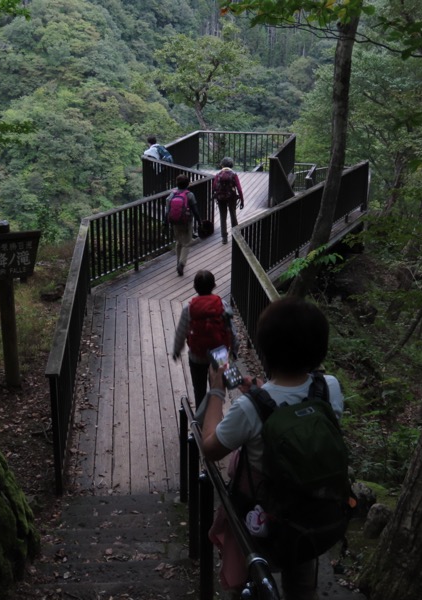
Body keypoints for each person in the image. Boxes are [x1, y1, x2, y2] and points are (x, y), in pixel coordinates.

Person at [199, 297, 344, 599]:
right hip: (311, 514)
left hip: (260, 521)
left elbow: (210, 448)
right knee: (302, 584)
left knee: (249, 579)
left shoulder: (248, 409)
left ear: (265, 349)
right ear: (320, 349)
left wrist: (216, 391)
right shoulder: (328, 388)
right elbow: (292, 405)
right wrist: (264, 392)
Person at [172, 270, 239, 408]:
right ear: (214, 285)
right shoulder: (223, 305)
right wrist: (234, 350)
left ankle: (200, 423)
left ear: (195, 287)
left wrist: (176, 350)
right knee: (218, 389)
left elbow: (181, 332)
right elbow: (231, 330)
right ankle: (216, 418)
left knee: (199, 390)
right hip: (220, 354)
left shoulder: (189, 308)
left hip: (198, 355)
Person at [163, 174, 200, 276]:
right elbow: (195, 210)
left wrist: (165, 223)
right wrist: (199, 222)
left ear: (177, 183)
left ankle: (178, 262)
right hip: (186, 222)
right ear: (187, 184)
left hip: (175, 222)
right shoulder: (189, 195)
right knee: (187, 243)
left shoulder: (171, 195)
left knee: (179, 242)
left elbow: (167, 211)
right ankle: (181, 263)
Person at [212, 157, 244, 244]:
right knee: (233, 215)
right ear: (231, 165)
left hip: (221, 198)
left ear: (222, 164)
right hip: (232, 197)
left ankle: (224, 238)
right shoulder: (233, 174)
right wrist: (242, 200)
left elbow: (214, 187)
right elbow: (239, 189)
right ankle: (236, 235)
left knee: (223, 217)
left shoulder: (218, 174)